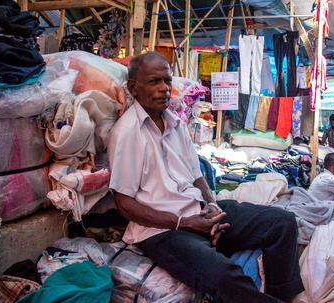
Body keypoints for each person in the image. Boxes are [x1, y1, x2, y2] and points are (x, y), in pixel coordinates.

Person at [107, 52, 303, 303]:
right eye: (154, 82)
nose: (164, 89)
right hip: (162, 231)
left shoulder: (175, 124)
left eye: (167, 81)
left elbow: (197, 176)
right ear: (134, 87)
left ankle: (282, 296)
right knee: (224, 275)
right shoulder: (126, 132)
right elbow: (125, 204)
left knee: (282, 223)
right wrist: (185, 223)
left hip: (198, 213)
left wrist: (211, 206)